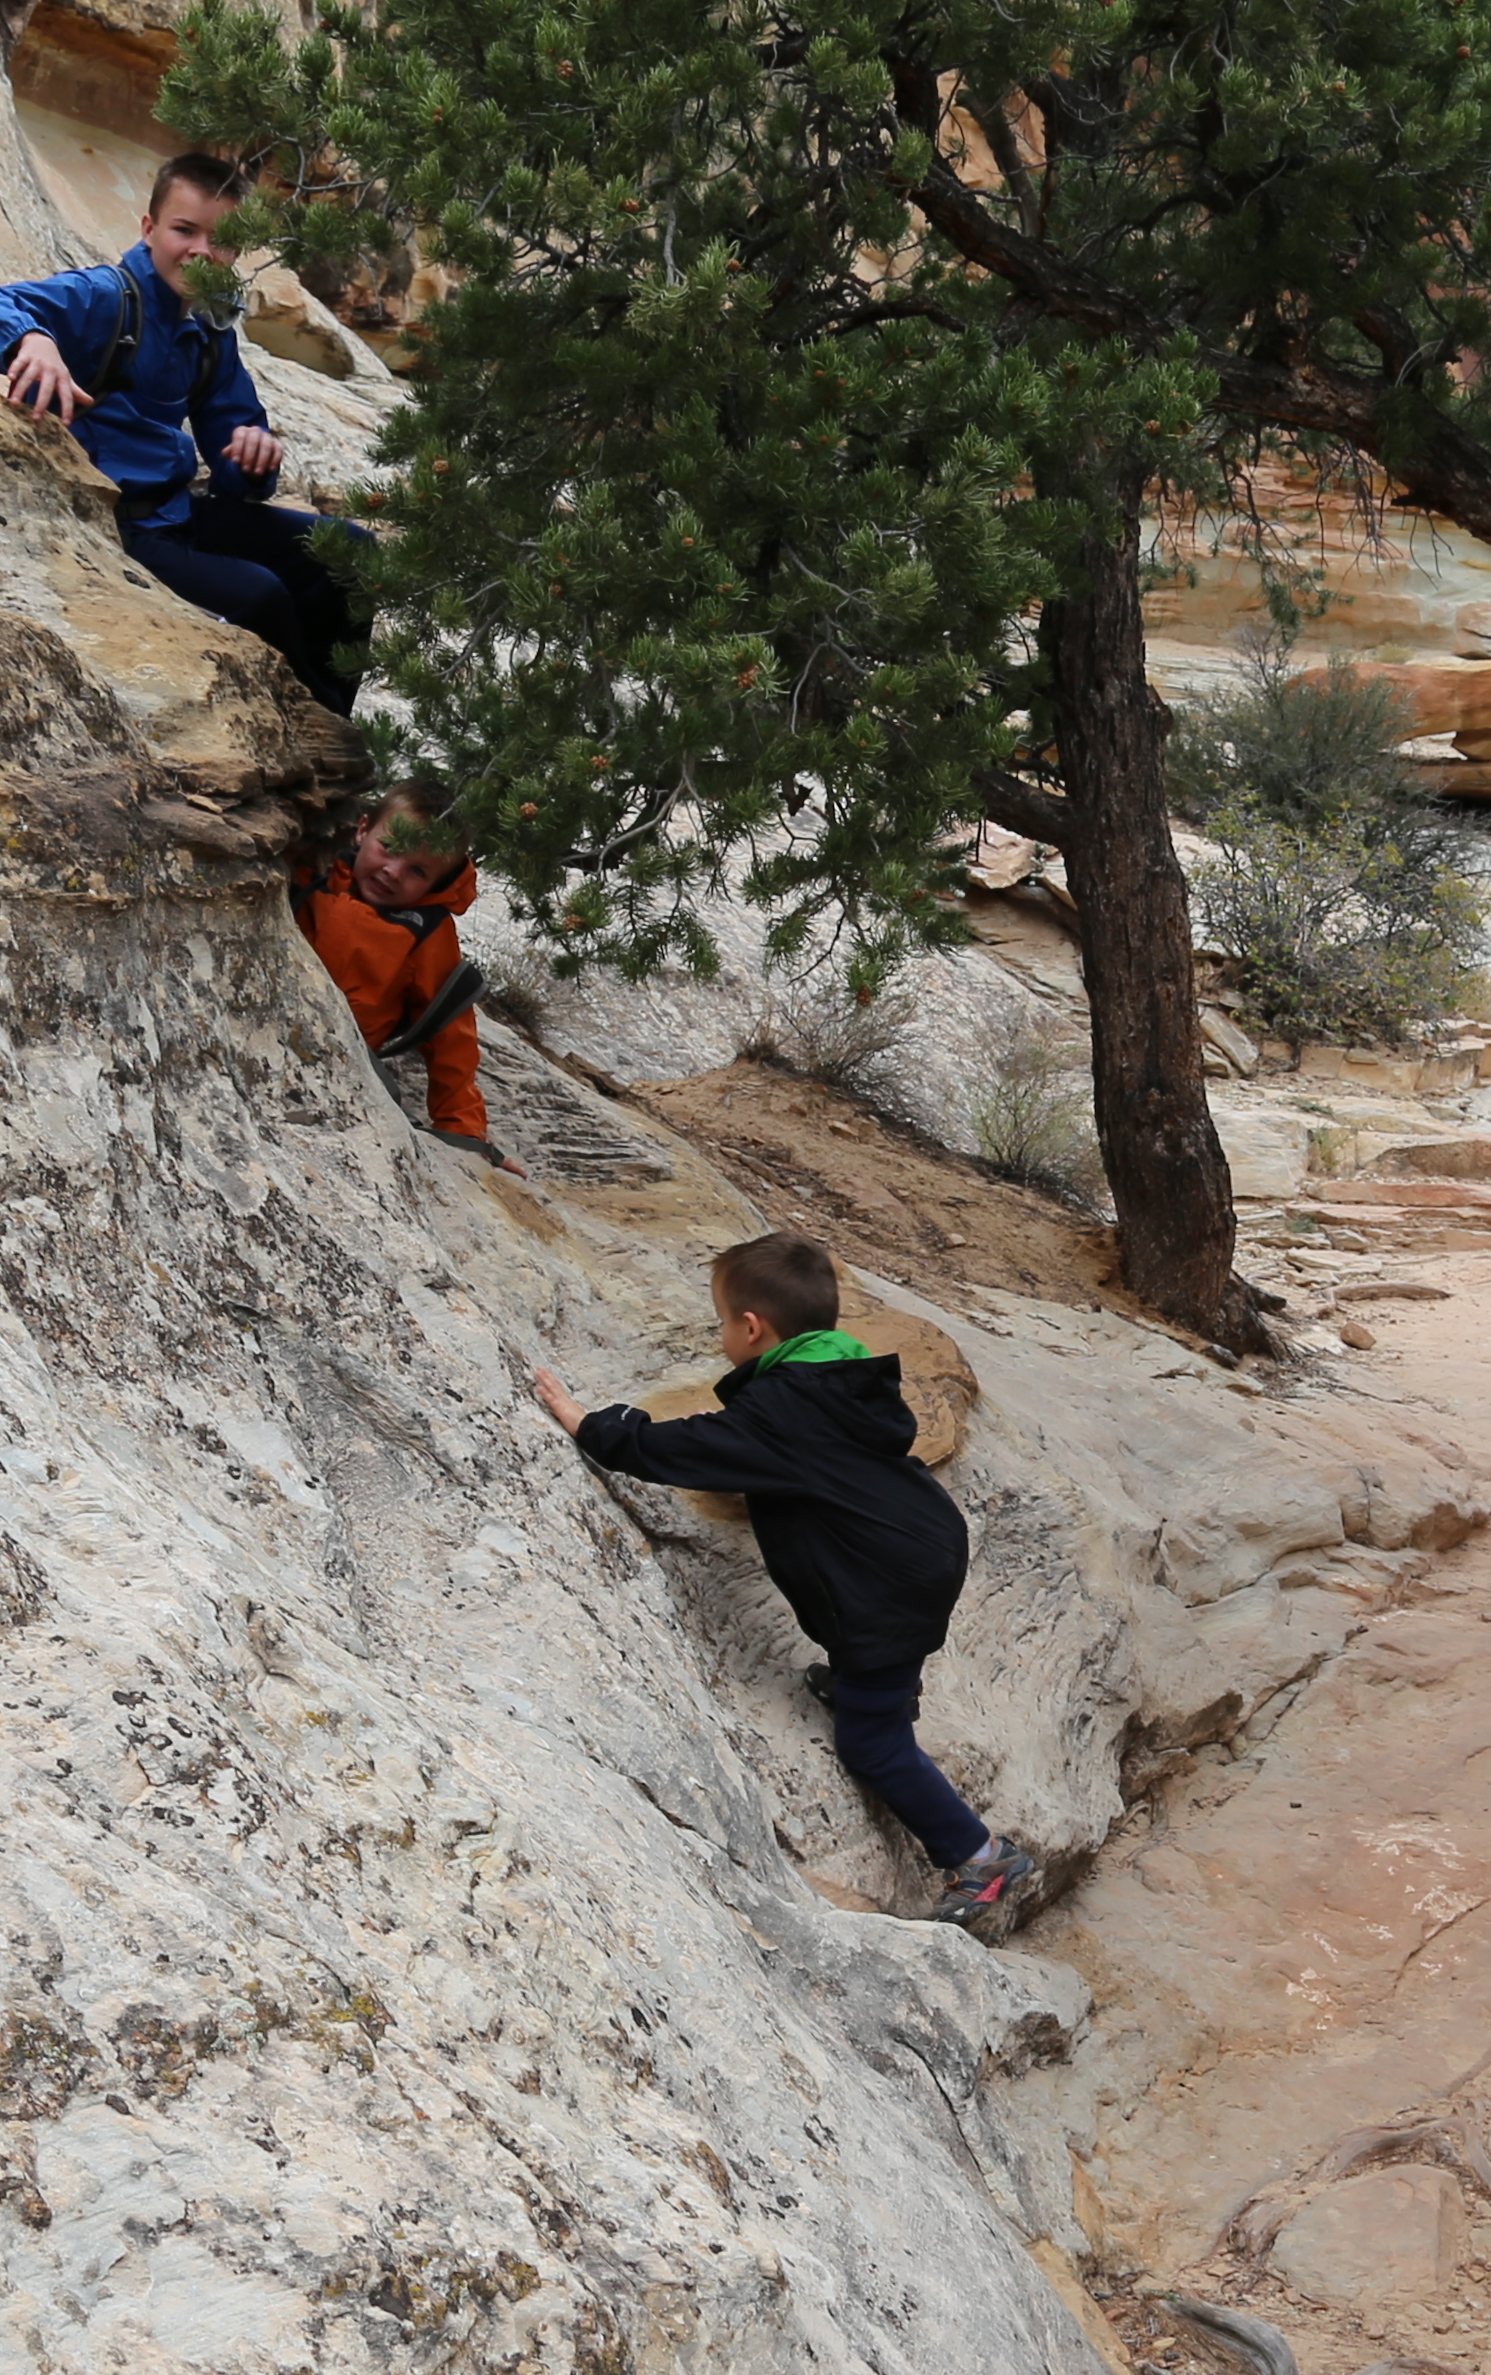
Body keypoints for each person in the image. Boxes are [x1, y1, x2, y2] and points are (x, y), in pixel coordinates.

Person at [529, 1233, 1032, 1925]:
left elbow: (690, 1447)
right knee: (872, 1655)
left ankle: (981, 1857)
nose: (720, 1335)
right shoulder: (838, 1376)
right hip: (920, 1546)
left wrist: (596, 1427)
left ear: (751, 1327)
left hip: (887, 1586)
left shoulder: (784, 1410)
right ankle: (873, 1685)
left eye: (720, 1322)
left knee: (871, 1744)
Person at [0, 152, 372, 714]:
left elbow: (233, 453)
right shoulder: (106, 297)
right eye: (184, 230)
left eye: (220, 242)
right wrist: (32, 340)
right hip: (117, 526)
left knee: (350, 551)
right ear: (149, 229)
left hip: (177, 514)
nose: (201, 252)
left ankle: (335, 713)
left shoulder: (208, 327)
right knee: (259, 594)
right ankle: (315, 722)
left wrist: (254, 456)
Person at [299, 796, 517, 1171]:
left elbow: (451, 1041)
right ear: (362, 830)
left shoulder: (426, 931)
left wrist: (462, 1132)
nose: (394, 872)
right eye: (390, 848)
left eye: (418, 871)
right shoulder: (317, 872)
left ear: (438, 883)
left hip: (344, 1059)